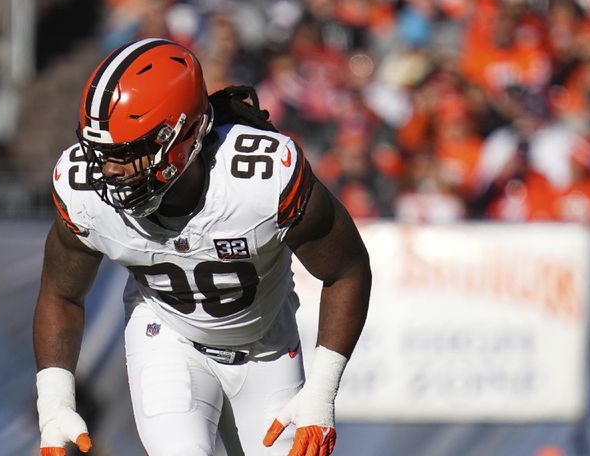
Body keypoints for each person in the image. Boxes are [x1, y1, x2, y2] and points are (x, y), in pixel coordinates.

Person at [33, 38, 372, 456]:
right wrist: (54, 401)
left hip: (266, 345)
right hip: (168, 338)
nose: (108, 171)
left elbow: (347, 270)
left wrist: (322, 392)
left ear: (184, 137)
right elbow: (61, 292)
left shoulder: (260, 181)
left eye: (127, 154)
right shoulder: (84, 191)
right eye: (99, 153)